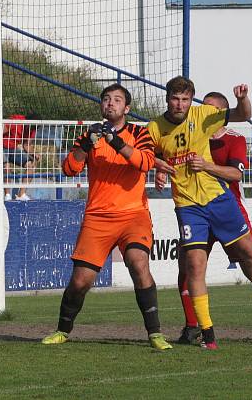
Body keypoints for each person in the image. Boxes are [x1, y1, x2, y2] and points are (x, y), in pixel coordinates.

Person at [149, 76, 252, 350]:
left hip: (218, 199)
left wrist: (241, 99)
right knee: (194, 267)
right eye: (175, 98)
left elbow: (243, 115)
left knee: (249, 252)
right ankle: (207, 333)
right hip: (188, 206)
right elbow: (143, 153)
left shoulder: (203, 115)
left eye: (185, 99)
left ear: (191, 100)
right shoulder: (155, 127)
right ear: (167, 99)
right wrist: (159, 166)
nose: (180, 104)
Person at [41, 84, 172, 351]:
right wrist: (87, 145)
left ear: (127, 108)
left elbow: (146, 163)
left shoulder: (139, 133)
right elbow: (69, 168)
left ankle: (155, 333)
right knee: (81, 281)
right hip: (98, 218)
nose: (110, 103)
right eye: (106, 99)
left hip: (133, 215)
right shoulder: (90, 135)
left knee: (138, 263)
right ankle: (62, 330)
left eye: (117, 100)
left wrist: (116, 142)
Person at [3, 113, 40, 201]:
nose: (31, 130)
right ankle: (7, 195)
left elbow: (26, 145)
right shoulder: (16, 120)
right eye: (30, 127)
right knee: (6, 166)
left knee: (30, 165)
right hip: (1, 147)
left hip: (14, 150)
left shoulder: (33, 128)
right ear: (27, 122)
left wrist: (34, 153)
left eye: (33, 129)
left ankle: (21, 194)